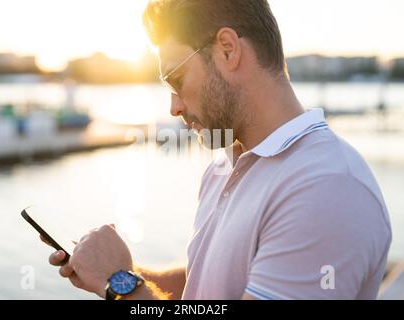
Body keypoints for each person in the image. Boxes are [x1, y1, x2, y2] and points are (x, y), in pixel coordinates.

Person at [44, 0, 392, 300]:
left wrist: (120, 284)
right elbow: (209, 287)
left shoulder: (327, 187)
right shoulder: (225, 167)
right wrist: (116, 271)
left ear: (228, 49)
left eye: (177, 80)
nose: (174, 107)